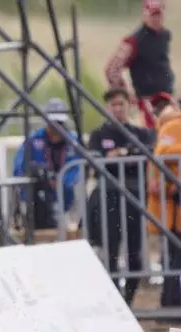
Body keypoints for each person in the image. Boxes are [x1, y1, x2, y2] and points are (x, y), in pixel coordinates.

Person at [86, 88, 155, 306]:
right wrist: (124, 155)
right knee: (111, 248)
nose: (117, 108)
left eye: (121, 104)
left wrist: (119, 156)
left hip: (135, 197)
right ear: (107, 108)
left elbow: (145, 155)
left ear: (129, 105)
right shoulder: (99, 135)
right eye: (113, 105)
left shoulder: (141, 133)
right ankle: (115, 298)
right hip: (109, 197)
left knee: (135, 250)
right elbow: (95, 161)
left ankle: (129, 299)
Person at [13, 98, 82, 228]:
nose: (56, 126)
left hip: (67, 204)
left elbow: (79, 169)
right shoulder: (33, 140)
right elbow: (19, 168)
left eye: (59, 122)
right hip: (37, 205)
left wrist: (61, 182)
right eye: (52, 122)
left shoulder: (74, 142)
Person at [104, 0, 173, 129]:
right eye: (153, 15)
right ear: (145, 15)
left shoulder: (164, 36)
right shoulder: (134, 41)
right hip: (147, 102)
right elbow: (112, 69)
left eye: (159, 15)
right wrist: (125, 94)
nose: (156, 19)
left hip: (166, 99)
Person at [147, 103, 181, 307]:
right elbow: (162, 153)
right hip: (172, 203)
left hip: (173, 202)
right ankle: (171, 300)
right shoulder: (172, 126)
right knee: (174, 253)